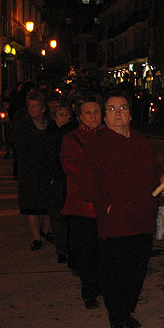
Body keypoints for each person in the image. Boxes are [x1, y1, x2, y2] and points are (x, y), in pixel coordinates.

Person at [79, 90, 164, 328]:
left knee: (137, 270)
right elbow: (87, 184)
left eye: (122, 108)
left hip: (142, 217)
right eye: (111, 109)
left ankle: (126, 311)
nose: (117, 114)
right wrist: (107, 205)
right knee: (116, 272)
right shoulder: (98, 144)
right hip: (116, 221)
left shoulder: (139, 141)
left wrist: (163, 178)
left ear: (131, 114)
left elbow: (153, 171)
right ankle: (116, 316)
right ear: (104, 116)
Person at [60, 91, 104, 310]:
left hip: (105, 205)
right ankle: (89, 290)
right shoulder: (71, 138)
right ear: (80, 116)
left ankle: (102, 285)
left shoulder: (109, 136)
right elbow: (69, 166)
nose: (93, 116)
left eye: (96, 112)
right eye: (88, 113)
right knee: (86, 251)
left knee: (104, 249)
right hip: (82, 204)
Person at [8, 90, 56, 250]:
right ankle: (36, 237)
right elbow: (17, 142)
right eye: (30, 106)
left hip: (46, 169)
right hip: (29, 169)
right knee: (31, 204)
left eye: (35, 106)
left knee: (47, 202)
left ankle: (47, 229)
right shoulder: (23, 123)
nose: (31, 109)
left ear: (43, 109)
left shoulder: (50, 124)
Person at [47, 100, 78, 264]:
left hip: (69, 179)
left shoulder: (72, 133)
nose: (64, 118)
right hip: (56, 180)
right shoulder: (50, 133)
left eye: (67, 114)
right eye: (61, 115)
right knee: (57, 217)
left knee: (70, 217)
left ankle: (71, 247)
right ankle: (61, 249)